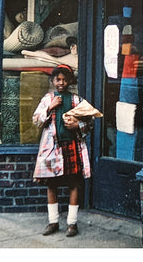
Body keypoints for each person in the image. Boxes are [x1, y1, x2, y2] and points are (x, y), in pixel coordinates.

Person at [32, 64, 93, 237]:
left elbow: (89, 123)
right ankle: (53, 222)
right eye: (58, 79)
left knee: (74, 183)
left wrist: (78, 125)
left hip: (72, 145)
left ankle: (72, 223)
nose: (61, 83)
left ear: (70, 81)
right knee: (52, 184)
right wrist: (50, 107)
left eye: (65, 79)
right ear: (53, 81)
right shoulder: (48, 99)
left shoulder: (77, 100)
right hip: (53, 147)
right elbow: (36, 120)